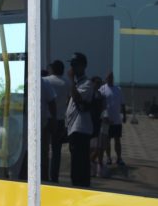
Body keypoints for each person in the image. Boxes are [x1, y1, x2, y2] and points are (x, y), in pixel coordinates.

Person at [65, 51, 94, 187]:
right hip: (73, 129)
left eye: (75, 65)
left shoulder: (87, 83)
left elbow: (78, 98)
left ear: (83, 66)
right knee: (76, 165)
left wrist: (71, 80)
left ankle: (81, 187)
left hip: (80, 129)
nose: (72, 68)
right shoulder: (77, 84)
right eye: (72, 65)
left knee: (79, 166)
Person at [44, 60, 69, 183]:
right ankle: (54, 177)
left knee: (44, 150)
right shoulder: (67, 82)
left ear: (52, 69)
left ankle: (44, 176)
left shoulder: (46, 80)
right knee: (56, 151)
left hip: (46, 119)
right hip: (60, 120)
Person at [99, 71, 126, 168]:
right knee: (107, 140)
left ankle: (119, 158)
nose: (110, 79)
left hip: (117, 120)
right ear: (106, 78)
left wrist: (124, 116)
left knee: (117, 140)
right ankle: (108, 158)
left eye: (111, 77)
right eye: (108, 77)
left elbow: (122, 104)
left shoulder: (118, 89)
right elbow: (99, 104)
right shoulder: (102, 89)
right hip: (106, 121)